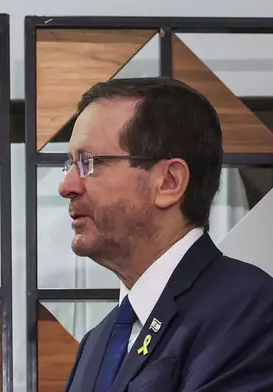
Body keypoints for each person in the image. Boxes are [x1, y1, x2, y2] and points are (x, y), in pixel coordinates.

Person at [62, 77, 273, 391]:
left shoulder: (250, 310)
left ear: (170, 182)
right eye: (69, 164)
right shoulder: (96, 343)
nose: (66, 186)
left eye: (89, 163)